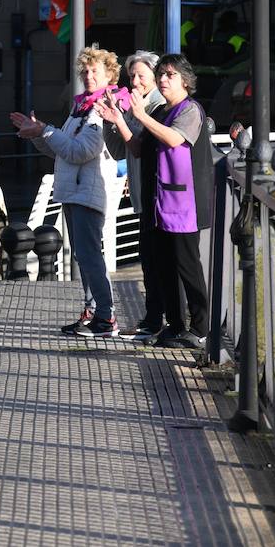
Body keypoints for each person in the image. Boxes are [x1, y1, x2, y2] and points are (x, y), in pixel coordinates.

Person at [11, 45, 128, 338]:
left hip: (88, 192)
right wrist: (38, 135)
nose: (88, 76)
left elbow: (81, 151)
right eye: (85, 71)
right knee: (83, 255)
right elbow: (61, 150)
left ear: (109, 75)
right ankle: (92, 312)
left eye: (95, 71)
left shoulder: (102, 108)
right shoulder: (82, 106)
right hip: (74, 191)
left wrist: (45, 131)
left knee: (89, 255)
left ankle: (106, 317)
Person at [98, 53, 212, 349]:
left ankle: (201, 329)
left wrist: (142, 116)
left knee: (187, 266)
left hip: (184, 204)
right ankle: (174, 325)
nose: (163, 79)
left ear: (186, 81)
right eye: (160, 74)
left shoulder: (191, 110)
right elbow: (137, 149)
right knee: (162, 267)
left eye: (170, 75)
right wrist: (118, 120)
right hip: (159, 203)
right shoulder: (160, 112)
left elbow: (175, 139)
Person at [101, 50, 167, 342]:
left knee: (157, 259)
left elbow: (141, 144)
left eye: (141, 75)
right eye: (132, 76)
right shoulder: (132, 106)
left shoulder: (158, 106)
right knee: (148, 260)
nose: (135, 81)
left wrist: (125, 118)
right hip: (141, 194)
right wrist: (110, 118)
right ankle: (152, 317)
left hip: (157, 194)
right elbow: (119, 151)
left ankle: (158, 318)